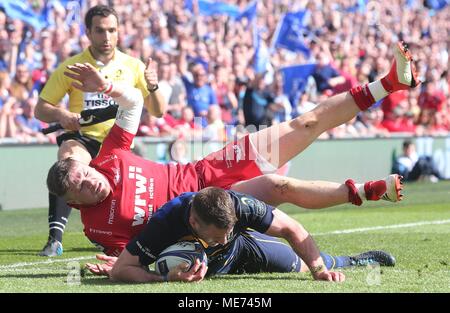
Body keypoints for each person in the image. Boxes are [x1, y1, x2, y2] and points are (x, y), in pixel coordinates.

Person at [46, 41, 418, 257]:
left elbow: (133, 104)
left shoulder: (109, 157)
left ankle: (389, 82)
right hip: (205, 211)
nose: (90, 181)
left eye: (86, 173)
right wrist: (120, 267)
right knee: (278, 188)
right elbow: (136, 255)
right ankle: (367, 191)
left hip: (211, 169)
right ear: (75, 203)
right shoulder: (97, 228)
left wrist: (106, 86)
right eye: (80, 186)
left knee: (303, 123)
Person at [34, 5, 166, 256]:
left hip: (119, 145)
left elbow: (158, 111)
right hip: (84, 138)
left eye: (111, 30)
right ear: (88, 32)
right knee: (69, 162)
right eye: (99, 30)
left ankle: (114, 233)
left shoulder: (134, 66)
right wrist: (62, 115)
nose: (106, 37)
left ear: (118, 32)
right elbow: (40, 110)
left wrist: (154, 85)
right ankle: (55, 239)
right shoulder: (71, 66)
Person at [86, 187, 396, 283]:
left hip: (242, 250)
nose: (221, 238)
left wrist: (319, 270)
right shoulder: (166, 220)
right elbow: (122, 272)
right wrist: (166, 279)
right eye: (216, 235)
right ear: (193, 221)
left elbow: (293, 229)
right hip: (196, 267)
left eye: (226, 232)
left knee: (298, 265)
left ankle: (353, 260)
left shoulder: (240, 206)